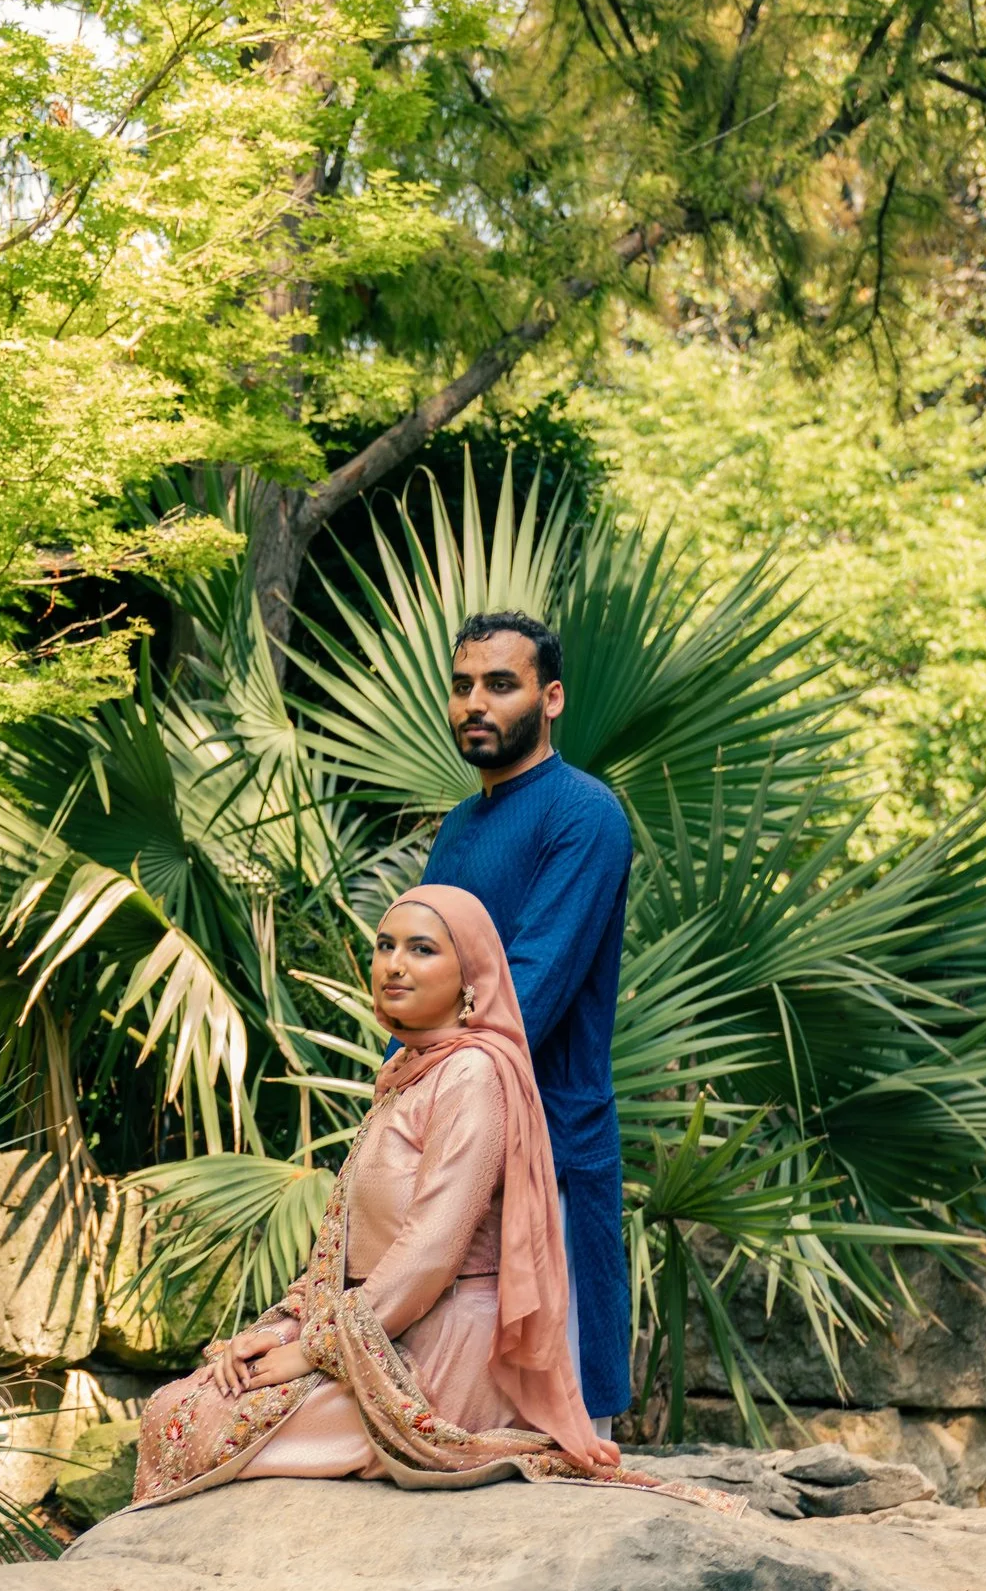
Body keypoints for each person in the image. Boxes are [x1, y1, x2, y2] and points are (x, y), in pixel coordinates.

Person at [129, 883, 620, 1504]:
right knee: (195, 1398)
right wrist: (283, 1332)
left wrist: (313, 1349)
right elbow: (353, 1247)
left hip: (443, 1348)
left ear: (470, 977)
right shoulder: (409, 1074)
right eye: (385, 945)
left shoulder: (472, 1073)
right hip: (382, 1331)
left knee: (193, 1421)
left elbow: (431, 1250)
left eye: (421, 949)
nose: (394, 963)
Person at [424, 612, 634, 1425]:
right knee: (463, 1412)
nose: (476, 702)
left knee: (572, 1423)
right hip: (456, 1140)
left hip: (551, 1143)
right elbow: (427, 974)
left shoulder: (585, 813)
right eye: (463, 685)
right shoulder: (458, 826)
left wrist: (430, 1076)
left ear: (551, 699)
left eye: (500, 685)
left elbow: (530, 989)